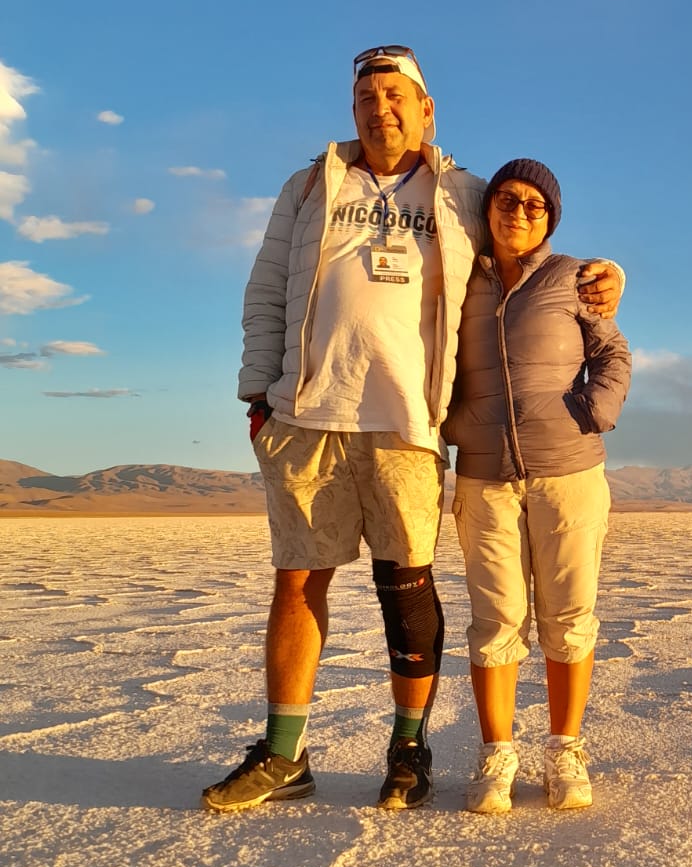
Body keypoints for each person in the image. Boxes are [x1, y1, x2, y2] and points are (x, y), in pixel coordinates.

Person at [202, 49, 622, 812]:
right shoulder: (309, 188)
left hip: (408, 424)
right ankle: (285, 755)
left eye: (396, 95)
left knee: (408, 588)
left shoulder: (462, 193)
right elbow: (265, 290)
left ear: (428, 111)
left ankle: (408, 751)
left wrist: (607, 274)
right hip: (307, 415)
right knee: (298, 582)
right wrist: (257, 397)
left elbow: (527, 246)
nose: (379, 108)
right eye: (365, 95)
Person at [445, 159, 631, 814]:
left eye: (533, 205)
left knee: (570, 617)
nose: (517, 212)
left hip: (569, 473)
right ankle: (498, 757)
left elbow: (612, 352)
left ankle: (564, 750)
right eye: (506, 198)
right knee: (496, 620)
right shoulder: (459, 280)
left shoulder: (573, 279)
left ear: (549, 218)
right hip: (484, 474)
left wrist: (592, 413)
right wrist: (450, 423)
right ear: (487, 206)